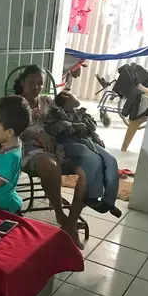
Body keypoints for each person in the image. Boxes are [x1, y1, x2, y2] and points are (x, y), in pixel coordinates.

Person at [14, 64, 106, 249]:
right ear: (22, 83)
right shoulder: (15, 103)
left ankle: (70, 223)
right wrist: (35, 133)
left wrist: (66, 95)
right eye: (31, 82)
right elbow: (10, 128)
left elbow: (74, 106)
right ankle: (60, 213)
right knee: (50, 165)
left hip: (60, 148)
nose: (36, 87)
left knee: (87, 172)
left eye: (40, 83)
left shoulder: (49, 101)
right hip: (29, 149)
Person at [45, 90, 121, 218]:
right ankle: (92, 197)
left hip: (85, 140)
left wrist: (95, 136)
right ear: (65, 97)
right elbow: (51, 129)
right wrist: (73, 125)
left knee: (111, 160)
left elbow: (91, 128)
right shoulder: (55, 112)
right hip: (67, 143)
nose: (76, 96)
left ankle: (108, 202)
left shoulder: (80, 112)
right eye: (73, 95)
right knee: (94, 159)